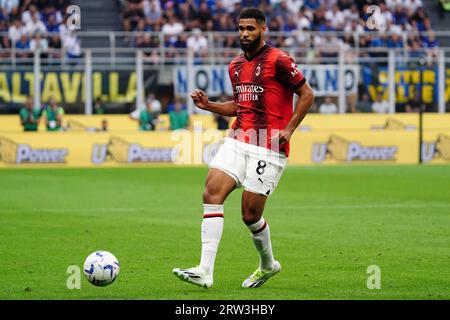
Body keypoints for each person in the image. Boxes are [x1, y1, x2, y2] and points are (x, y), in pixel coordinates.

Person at [172, 8, 314, 289]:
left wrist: (289, 129)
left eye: (250, 29)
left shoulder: (279, 60)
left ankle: (268, 265)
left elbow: (307, 94)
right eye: (240, 29)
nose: (244, 34)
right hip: (238, 138)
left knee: (250, 215)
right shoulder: (235, 65)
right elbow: (239, 106)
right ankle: (204, 270)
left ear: (263, 29)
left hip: (269, 146)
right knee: (211, 192)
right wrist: (210, 105)